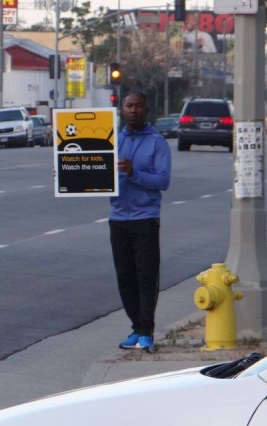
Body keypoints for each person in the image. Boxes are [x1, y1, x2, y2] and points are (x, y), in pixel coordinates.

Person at [110, 90, 171, 353]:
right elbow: (92, 171)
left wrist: (134, 173)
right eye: (128, 106)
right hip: (117, 218)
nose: (133, 110)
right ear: (122, 109)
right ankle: (136, 327)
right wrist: (66, 173)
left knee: (146, 276)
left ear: (146, 109)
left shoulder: (157, 142)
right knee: (125, 277)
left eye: (138, 106)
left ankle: (147, 331)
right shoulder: (112, 141)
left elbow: (163, 181)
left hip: (145, 217)